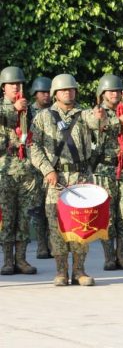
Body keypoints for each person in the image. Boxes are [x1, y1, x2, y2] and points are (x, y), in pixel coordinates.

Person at [30, 74, 100, 286]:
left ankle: (79, 271)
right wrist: (47, 169)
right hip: (56, 179)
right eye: (63, 90)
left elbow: (98, 123)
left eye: (71, 90)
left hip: (80, 178)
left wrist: (101, 117)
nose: (68, 93)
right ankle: (61, 271)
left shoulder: (85, 114)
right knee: (57, 226)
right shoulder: (43, 117)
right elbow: (32, 146)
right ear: (55, 94)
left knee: (81, 224)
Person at [88, 74, 123, 271]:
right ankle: (109, 257)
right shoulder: (96, 113)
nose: (115, 94)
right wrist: (116, 124)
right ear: (103, 93)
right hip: (104, 170)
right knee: (108, 217)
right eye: (111, 91)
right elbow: (93, 133)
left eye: (118, 91)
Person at [0, 66, 38, 276]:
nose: (16, 87)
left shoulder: (28, 108)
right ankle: (7, 260)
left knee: (24, 216)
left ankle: (21, 259)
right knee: (7, 216)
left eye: (19, 84)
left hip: (25, 168)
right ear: (3, 87)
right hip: (5, 169)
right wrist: (14, 109)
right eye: (12, 84)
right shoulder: (4, 107)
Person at [28, 76, 53, 259]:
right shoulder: (27, 111)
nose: (46, 96)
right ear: (35, 94)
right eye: (42, 92)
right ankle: (42, 246)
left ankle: (53, 244)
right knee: (38, 209)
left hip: (53, 164)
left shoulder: (55, 112)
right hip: (35, 166)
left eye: (48, 92)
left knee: (52, 208)